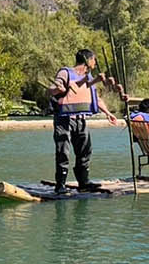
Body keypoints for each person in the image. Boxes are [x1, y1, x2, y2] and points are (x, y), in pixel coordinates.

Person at [50, 48, 118, 194]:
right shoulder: (65, 73)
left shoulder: (89, 78)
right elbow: (53, 89)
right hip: (64, 119)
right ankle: (60, 184)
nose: (95, 62)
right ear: (87, 60)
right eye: (94, 59)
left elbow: (96, 98)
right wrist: (58, 88)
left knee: (85, 150)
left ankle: (84, 182)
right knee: (63, 151)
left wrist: (108, 113)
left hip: (81, 120)